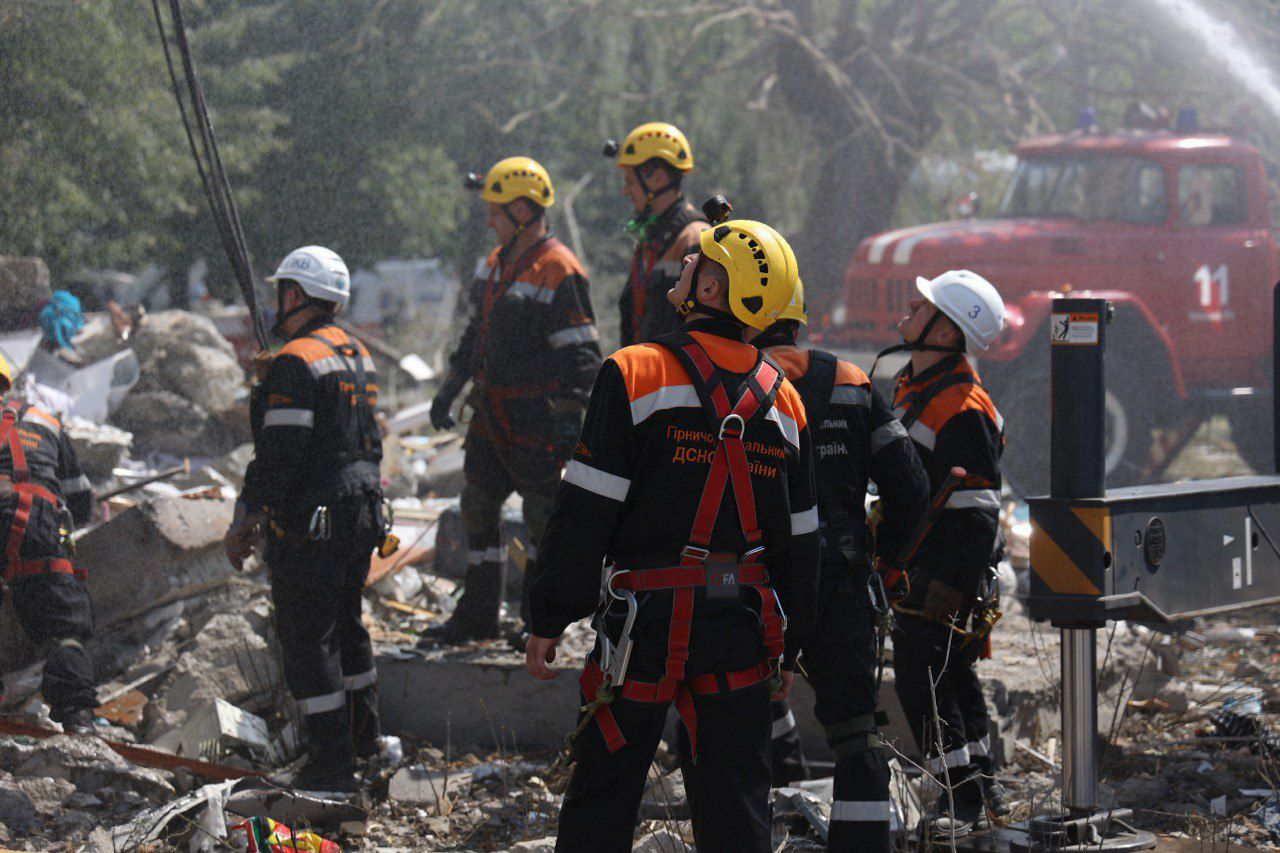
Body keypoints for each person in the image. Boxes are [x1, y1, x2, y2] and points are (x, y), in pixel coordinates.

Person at [526, 215, 819, 852]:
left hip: (643, 629)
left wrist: (548, 616)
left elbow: (585, 508)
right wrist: (788, 646)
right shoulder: (786, 402)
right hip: (739, 630)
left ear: (712, 290)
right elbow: (799, 541)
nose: (682, 267)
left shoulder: (635, 372)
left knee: (603, 799)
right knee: (737, 807)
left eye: (697, 262)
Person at [749, 275, 929, 851]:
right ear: (797, 317)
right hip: (842, 583)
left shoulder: (730, 384)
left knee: (735, 715)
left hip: (755, 587)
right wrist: (891, 558)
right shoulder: (851, 381)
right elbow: (911, 487)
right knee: (855, 734)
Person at [224, 245, 384, 793]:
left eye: (281, 292)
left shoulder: (296, 361)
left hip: (316, 521)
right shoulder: (353, 351)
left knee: (308, 637)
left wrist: (246, 513)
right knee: (349, 624)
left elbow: (279, 455)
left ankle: (330, 764)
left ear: (295, 295)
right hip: (362, 513)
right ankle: (367, 743)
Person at [425, 157, 601, 645]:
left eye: (496, 210)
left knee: (544, 523)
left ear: (524, 209)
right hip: (491, 416)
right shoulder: (494, 263)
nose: (489, 220)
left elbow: (583, 356)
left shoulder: (559, 268)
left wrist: (569, 421)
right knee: (478, 506)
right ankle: (477, 615)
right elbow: (473, 335)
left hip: (537, 422)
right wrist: (450, 387)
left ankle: (539, 624)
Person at [886, 270, 1012, 838]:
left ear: (946, 332)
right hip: (921, 566)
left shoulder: (962, 405)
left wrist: (952, 586)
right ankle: (981, 789)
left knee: (924, 679)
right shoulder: (917, 386)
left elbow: (981, 510)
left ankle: (959, 804)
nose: (909, 308)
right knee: (951, 677)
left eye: (922, 305)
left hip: (942, 573)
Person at [0, 352, 97, 733]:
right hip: (38, 520)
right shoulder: (44, 419)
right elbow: (81, 500)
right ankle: (78, 717)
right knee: (62, 627)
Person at [605, 122, 708, 346]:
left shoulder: (693, 239)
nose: (625, 191)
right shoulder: (651, 241)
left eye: (630, 181)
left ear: (658, 178)